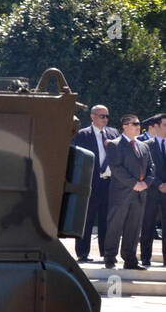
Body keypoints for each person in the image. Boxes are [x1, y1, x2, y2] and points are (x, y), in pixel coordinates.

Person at [106, 114, 154, 270]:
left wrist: (145, 183)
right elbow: (116, 168)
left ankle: (130, 260)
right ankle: (110, 258)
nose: (139, 126)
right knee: (115, 225)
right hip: (121, 193)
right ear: (125, 126)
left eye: (139, 124)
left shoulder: (144, 146)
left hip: (140, 194)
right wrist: (134, 184)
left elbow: (151, 168)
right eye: (135, 123)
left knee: (134, 228)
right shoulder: (115, 144)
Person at [71, 105, 114, 263]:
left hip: (108, 184)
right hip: (89, 184)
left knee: (106, 220)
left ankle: (106, 253)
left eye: (107, 116)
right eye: (102, 116)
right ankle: (82, 253)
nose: (105, 119)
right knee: (86, 220)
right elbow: (78, 158)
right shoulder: (83, 135)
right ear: (92, 117)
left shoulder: (113, 133)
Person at [140, 113, 166, 267]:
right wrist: (158, 184)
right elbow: (144, 169)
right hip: (151, 191)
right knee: (147, 225)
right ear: (155, 126)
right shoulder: (146, 145)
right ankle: (145, 258)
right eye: (164, 125)